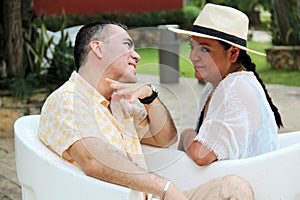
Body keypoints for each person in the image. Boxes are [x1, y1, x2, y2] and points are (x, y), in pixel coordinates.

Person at [38, 21, 254, 199]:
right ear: (98, 48)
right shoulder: (68, 100)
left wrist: (150, 97)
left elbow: (165, 138)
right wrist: (165, 188)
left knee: (234, 189)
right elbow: (94, 160)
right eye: (126, 45)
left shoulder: (120, 103)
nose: (137, 56)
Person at [169, 3, 283, 166]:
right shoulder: (215, 86)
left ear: (234, 53)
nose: (193, 56)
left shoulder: (235, 87)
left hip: (249, 186)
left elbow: (201, 155)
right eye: (192, 47)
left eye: (205, 50)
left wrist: (186, 134)